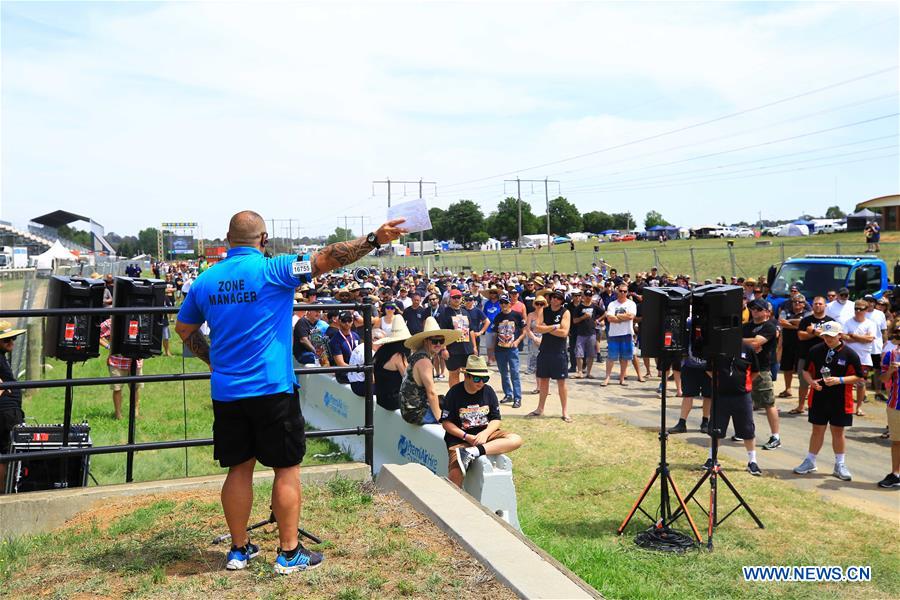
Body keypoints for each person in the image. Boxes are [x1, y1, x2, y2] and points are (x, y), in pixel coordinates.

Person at [175, 210, 406, 574]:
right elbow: (328, 257)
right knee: (286, 468)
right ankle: (288, 552)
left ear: (227, 239)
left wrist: (214, 362)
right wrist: (375, 240)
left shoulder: (205, 281)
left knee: (239, 468)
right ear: (263, 240)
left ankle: (238, 550)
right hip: (271, 388)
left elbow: (185, 329)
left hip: (227, 390)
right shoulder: (274, 269)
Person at [441, 355, 523, 487]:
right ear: (466, 376)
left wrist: (485, 434)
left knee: (516, 439)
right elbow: (446, 423)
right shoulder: (454, 393)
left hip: (486, 435)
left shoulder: (488, 391)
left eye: (485, 378)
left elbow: (496, 419)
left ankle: (473, 452)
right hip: (460, 440)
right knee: (455, 477)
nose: (481, 383)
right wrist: (466, 437)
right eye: (477, 378)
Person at [795, 321, 861, 481]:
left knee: (838, 432)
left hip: (840, 399)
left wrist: (839, 380)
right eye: (825, 336)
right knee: (817, 430)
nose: (828, 339)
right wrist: (812, 383)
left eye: (832, 336)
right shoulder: (815, 350)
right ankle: (810, 460)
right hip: (819, 397)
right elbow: (806, 372)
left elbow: (858, 377)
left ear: (839, 335)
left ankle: (840, 464)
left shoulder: (850, 354)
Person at [702, 343, 762, 475]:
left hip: (742, 396)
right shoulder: (716, 349)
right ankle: (712, 458)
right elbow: (709, 369)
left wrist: (743, 384)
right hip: (721, 395)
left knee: (747, 429)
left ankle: (752, 461)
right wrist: (721, 382)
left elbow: (756, 371)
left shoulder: (748, 348)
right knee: (715, 428)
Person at [398, 317, 460, 425]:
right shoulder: (424, 361)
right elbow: (431, 392)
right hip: (416, 413)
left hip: (410, 409)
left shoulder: (418, 355)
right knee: (458, 419)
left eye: (441, 341)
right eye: (435, 341)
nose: (438, 344)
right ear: (426, 341)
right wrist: (440, 419)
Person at [742, 299, 781, 450]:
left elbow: (756, 343)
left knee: (768, 403)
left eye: (758, 309)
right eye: (752, 308)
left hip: (762, 369)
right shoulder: (746, 326)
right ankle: (745, 431)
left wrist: (746, 343)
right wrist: (749, 343)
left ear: (766, 311)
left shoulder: (769, 326)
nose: (754, 311)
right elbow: (737, 342)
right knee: (746, 402)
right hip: (746, 368)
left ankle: (775, 436)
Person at [528, 290, 572, 422]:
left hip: (559, 351)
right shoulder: (545, 311)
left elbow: (564, 332)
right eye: (553, 297)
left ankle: (564, 411)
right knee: (543, 381)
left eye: (558, 298)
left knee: (561, 383)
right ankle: (540, 408)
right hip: (545, 350)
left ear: (562, 300)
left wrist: (547, 328)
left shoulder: (565, 312)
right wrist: (554, 327)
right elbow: (536, 328)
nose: (555, 300)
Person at [793, 296, 834, 414]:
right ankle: (801, 406)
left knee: (825, 381)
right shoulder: (805, 320)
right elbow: (801, 335)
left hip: (825, 357)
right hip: (805, 355)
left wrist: (812, 331)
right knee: (803, 382)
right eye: (815, 304)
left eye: (820, 304)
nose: (818, 306)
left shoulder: (830, 322)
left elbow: (830, 338)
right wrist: (819, 333)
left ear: (825, 305)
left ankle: (824, 407)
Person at [98, 318, 144, 420]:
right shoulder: (111, 322)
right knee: (117, 389)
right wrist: (109, 346)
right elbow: (96, 333)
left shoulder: (140, 319)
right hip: (117, 362)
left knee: (135, 388)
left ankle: (135, 412)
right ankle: (118, 414)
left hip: (136, 361)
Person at [0, 321, 27, 491]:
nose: (12, 342)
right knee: (4, 452)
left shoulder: (2, 357)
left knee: (8, 451)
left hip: (9, 411)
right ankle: (3, 493)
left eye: (13, 338)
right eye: (6, 340)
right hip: (5, 412)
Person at [841, 299, 877, 417]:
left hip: (863, 358)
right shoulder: (848, 322)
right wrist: (861, 338)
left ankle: (859, 407)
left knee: (861, 384)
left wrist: (853, 335)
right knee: (846, 383)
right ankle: (847, 405)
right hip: (848, 357)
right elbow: (844, 337)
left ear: (866, 310)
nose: (857, 311)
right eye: (856, 308)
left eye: (860, 309)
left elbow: (869, 339)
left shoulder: (870, 324)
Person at [372, 316, 412, 411]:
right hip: (393, 401)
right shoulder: (398, 356)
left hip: (381, 398)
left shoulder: (381, 351)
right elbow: (409, 378)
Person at [493, 295, 526, 408]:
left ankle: (517, 398)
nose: (503, 305)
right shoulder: (498, 317)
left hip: (512, 349)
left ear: (510, 303)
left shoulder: (517, 315)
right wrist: (493, 350)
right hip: (500, 349)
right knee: (503, 373)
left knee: (514, 373)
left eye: (505, 303)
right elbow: (495, 333)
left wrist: (517, 341)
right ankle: (508, 394)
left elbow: (524, 331)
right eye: (501, 303)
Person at [877, 325, 900, 488]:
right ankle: (895, 474)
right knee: (897, 441)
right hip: (895, 404)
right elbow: (883, 379)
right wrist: (891, 371)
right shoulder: (890, 355)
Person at [602, 284, 637, 386]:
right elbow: (609, 318)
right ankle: (607, 378)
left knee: (625, 358)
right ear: (617, 291)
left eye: (625, 291)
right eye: (621, 291)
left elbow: (631, 316)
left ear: (627, 292)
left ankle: (622, 378)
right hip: (614, 334)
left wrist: (617, 317)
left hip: (627, 333)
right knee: (611, 357)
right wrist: (622, 317)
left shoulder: (631, 304)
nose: (622, 293)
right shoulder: (612, 304)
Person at [438, 289, 474, 388]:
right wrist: (444, 349)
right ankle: (455, 397)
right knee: (454, 373)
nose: (456, 299)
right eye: (454, 297)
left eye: (458, 297)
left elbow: (471, 330)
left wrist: (474, 347)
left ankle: (467, 396)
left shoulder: (465, 312)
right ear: (450, 299)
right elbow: (443, 333)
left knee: (469, 374)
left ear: (461, 298)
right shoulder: (445, 313)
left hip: (467, 348)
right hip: (452, 349)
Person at [776, 295, 808, 398]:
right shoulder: (785, 311)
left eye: (800, 302)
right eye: (795, 302)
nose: (797, 303)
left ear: (804, 303)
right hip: (788, 343)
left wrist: (789, 322)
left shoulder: (808, 313)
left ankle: (804, 391)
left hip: (802, 344)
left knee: (802, 369)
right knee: (787, 367)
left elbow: (806, 324)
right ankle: (788, 389)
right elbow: (782, 322)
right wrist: (797, 326)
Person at [573, 289, 603, 379]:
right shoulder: (579, 307)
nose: (588, 297)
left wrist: (597, 320)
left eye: (590, 296)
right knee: (579, 354)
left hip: (591, 333)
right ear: (583, 296)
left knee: (591, 354)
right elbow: (574, 320)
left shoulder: (594, 306)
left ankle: (589, 372)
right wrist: (583, 317)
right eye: (586, 295)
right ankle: (579, 372)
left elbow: (604, 313)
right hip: (581, 333)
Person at [329, 311, 360, 384]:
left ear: (352, 321)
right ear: (339, 321)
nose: (347, 323)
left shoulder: (356, 336)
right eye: (344, 320)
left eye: (349, 320)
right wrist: (358, 370)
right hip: (343, 374)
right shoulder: (335, 340)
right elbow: (341, 364)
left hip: (356, 370)